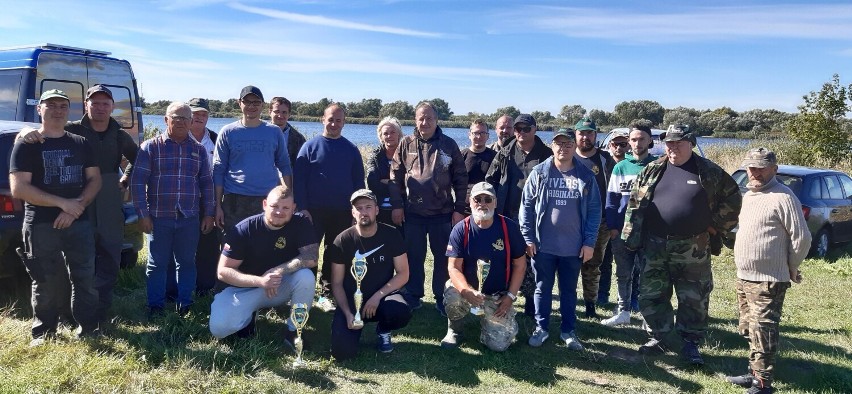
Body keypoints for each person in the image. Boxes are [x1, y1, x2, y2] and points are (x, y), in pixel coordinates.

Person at [17, 85, 139, 323]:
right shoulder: (72, 129)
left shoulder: (119, 134)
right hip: (76, 195)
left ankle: (99, 311)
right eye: (95, 103)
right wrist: (23, 131)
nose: (101, 108)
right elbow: (43, 132)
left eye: (106, 103)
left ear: (112, 107)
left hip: (107, 200)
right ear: (86, 105)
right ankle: (67, 313)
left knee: (109, 253)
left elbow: (139, 160)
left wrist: (125, 179)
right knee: (76, 258)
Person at [622, 123, 741, 365]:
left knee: (694, 296)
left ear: (691, 143)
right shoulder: (653, 169)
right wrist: (630, 235)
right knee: (652, 294)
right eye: (668, 142)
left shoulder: (708, 172)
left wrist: (716, 225)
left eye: (678, 142)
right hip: (654, 245)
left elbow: (733, 198)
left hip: (693, 248)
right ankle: (659, 337)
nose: (672, 147)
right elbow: (634, 202)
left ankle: (690, 343)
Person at [10, 89, 102, 345]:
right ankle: (44, 332)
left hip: (78, 222)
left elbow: (94, 180)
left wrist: (76, 209)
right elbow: (20, 188)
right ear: (39, 109)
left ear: (69, 110)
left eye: (63, 105)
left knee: (84, 277)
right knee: (45, 280)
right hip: (40, 223)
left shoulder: (80, 143)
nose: (58, 110)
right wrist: (64, 204)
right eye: (51, 105)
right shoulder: (26, 144)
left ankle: (88, 329)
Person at [725, 148, 810, 394]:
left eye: (761, 167)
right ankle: (753, 372)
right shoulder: (750, 195)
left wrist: (792, 266)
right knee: (748, 328)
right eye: (751, 167)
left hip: (769, 279)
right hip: (745, 276)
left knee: (763, 329)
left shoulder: (784, 197)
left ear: (774, 169)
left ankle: (763, 382)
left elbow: (802, 238)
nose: (755, 172)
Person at [130, 101, 215, 317]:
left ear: (190, 122)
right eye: (175, 117)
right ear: (165, 120)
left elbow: (206, 183)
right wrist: (143, 214)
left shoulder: (198, 150)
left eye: (185, 118)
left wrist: (209, 213)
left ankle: (185, 304)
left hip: (189, 217)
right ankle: (155, 305)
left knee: (187, 262)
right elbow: (138, 182)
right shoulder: (151, 147)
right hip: (159, 217)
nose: (180, 122)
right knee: (157, 263)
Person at [520, 129, 601, 350]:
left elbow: (594, 211)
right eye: (558, 144)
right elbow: (526, 206)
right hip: (543, 245)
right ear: (552, 146)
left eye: (567, 144)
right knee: (541, 287)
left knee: (568, 290)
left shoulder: (586, 176)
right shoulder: (540, 173)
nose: (563, 148)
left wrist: (589, 242)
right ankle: (541, 328)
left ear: (574, 147)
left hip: (573, 247)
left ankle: (568, 331)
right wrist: (528, 237)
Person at [209, 186, 318, 341]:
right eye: (274, 206)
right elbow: (223, 271)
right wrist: (260, 281)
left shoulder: (301, 223)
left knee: (305, 276)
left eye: (286, 207)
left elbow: (311, 257)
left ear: (293, 208)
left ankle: (294, 331)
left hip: (279, 284)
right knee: (219, 329)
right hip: (244, 288)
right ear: (265, 204)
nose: (279, 212)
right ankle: (248, 316)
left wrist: (278, 270)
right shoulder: (244, 229)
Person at [389, 102, 467, 314]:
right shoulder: (405, 144)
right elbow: (394, 176)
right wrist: (397, 205)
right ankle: (414, 295)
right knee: (414, 256)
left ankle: (441, 297)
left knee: (443, 257)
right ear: (415, 120)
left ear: (436, 120)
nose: (425, 123)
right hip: (412, 213)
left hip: (442, 213)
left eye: (429, 118)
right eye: (421, 118)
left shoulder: (449, 145)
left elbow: (460, 178)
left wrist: (459, 209)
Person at [295, 103, 365, 310]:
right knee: (309, 252)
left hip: (342, 212)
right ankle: (304, 292)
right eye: (330, 119)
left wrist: (357, 210)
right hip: (312, 212)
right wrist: (303, 207)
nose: (334, 124)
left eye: (338, 120)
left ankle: (327, 293)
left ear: (344, 122)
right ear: (322, 120)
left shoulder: (351, 150)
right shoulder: (309, 147)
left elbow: (358, 183)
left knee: (335, 252)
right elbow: (299, 181)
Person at [441, 182, 526, 351]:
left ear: (495, 202)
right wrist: (466, 291)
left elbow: (520, 265)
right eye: (477, 199)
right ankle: (455, 330)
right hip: (469, 290)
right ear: (470, 202)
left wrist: (510, 296)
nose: (482, 203)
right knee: (452, 293)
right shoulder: (460, 229)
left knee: (498, 346)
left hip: (498, 294)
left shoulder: (509, 228)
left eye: (488, 199)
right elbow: (453, 268)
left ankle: (490, 323)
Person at [327, 189, 411, 360]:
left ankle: (384, 329)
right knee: (342, 353)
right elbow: (336, 283)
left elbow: (403, 274)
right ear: (353, 212)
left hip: (382, 298)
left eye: (368, 207)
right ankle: (354, 322)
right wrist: (347, 312)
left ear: (377, 210)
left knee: (400, 311)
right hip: (353, 300)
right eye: (359, 208)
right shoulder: (342, 240)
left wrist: (377, 297)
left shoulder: (392, 234)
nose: (364, 212)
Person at [485, 114, 552, 318]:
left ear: (535, 129)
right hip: (507, 216)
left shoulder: (548, 155)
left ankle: (532, 306)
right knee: (505, 260)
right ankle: (502, 304)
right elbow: (490, 180)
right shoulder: (505, 152)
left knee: (534, 262)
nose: (521, 132)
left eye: (526, 128)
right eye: (517, 129)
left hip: (535, 219)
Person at [212, 85, 292, 238]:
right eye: (247, 102)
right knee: (232, 247)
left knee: (263, 248)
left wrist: (289, 197)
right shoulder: (228, 132)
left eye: (256, 102)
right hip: (234, 200)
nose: (251, 106)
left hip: (267, 199)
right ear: (239, 103)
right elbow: (218, 170)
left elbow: (284, 165)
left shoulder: (274, 132)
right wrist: (217, 206)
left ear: (262, 105)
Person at [601, 124, 656, 327]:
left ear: (650, 141)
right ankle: (623, 311)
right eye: (633, 139)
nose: (637, 143)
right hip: (623, 231)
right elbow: (612, 200)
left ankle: (646, 315)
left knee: (647, 275)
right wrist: (613, 228)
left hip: (648, 232)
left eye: (641, 139)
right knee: (623, 273)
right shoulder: (620, 167)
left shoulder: (657, 165)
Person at [166, 98, 220, 298]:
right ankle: (172, 290)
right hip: (179, 201)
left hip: (207, 201)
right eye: (195, 113)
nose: (199, 117)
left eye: (203, 114)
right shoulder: (176, 136)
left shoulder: (216, 138)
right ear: (188, 117)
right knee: (176, 248)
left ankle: (205, 287)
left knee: (208, 246)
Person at [572, 117, 616, 319]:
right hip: (571, 222)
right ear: (576, 134)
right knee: (570, 265)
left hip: (599, 223)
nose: (585, 137)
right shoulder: (568, 156)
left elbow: (614, 191)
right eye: (581, 133)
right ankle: (569, 303)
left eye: (589, 133)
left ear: (595, 135)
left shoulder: (606, 159)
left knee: (593, 265)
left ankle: (590, 305)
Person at [598, 128, 631, 306]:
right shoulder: (603, 163)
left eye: (623, 144)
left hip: (626, 221)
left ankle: (630, 298)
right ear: (610, 145)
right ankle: (602, 295)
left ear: (628, 146)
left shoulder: (631, 164)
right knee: (604, 261)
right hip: (605, 219)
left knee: (629, 264)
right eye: (615, 144)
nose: (618, 147)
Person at [366, 116, 403, 229]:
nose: (389, 136)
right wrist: (397, 184)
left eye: (393, 132)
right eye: (385, 133)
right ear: (381, 137)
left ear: (399, 134)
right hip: (380, 209)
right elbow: (372, 183)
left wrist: (386, 181)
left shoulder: (406, 155)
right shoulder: (375, 156)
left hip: (404, 209)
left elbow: (411, 183)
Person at [460, 119, 497, 215]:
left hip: (488, 208)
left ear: (488, 136)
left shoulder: (495, 157)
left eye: (482, 133)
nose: (479, 136)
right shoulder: (461, 156)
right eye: (475, 133)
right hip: (465, 209)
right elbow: (453, 181)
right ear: (469, 134)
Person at [269, 96, 306, 170]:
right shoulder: (259, 133)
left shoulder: (299, 139)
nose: (280, 115)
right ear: (270, 112)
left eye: (284, 112)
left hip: (288, 179)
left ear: (289, 114)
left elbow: (302, 166)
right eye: (277, 111)